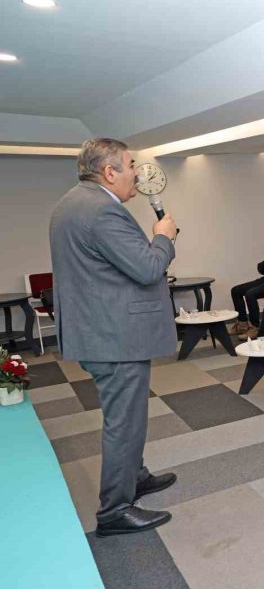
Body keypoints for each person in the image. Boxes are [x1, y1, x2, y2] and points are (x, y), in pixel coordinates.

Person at [49, 139, 179, 536]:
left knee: (127, 416)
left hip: (97, 329)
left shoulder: (72, 203)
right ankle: (115, 511)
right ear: (109, 172)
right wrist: (164, 236)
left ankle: (134, 476)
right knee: (125, 422)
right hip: (114, 336)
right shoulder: (103, 211)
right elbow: (146, 268)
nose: (136, 174)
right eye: (130, 166)